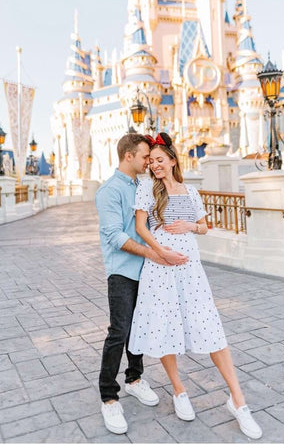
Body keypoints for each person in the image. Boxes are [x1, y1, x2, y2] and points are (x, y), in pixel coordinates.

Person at [128, 132, 263, 440]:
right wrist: (161, 252)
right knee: (164, 327)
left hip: (190, 269)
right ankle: (179, 390)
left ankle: (238, 401)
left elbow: (204, 226)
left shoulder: (191, 191)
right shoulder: (148, 188)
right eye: (150, 162)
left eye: (160, 160)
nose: (155, 166)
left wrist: (191, 226)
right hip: (161, 268)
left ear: (173, 160)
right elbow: (140, 226)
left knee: (210, 327)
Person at [95, 133, 189, 435]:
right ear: (128, 156)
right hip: (123, 271)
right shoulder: (109, 191)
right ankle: (109, 397)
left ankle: (134, 379)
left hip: (150, 271)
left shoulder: (144, 186)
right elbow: (114, 236)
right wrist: (155, 253)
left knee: (140, 327)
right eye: (145, 155)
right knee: (119, 330)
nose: (149, 160)